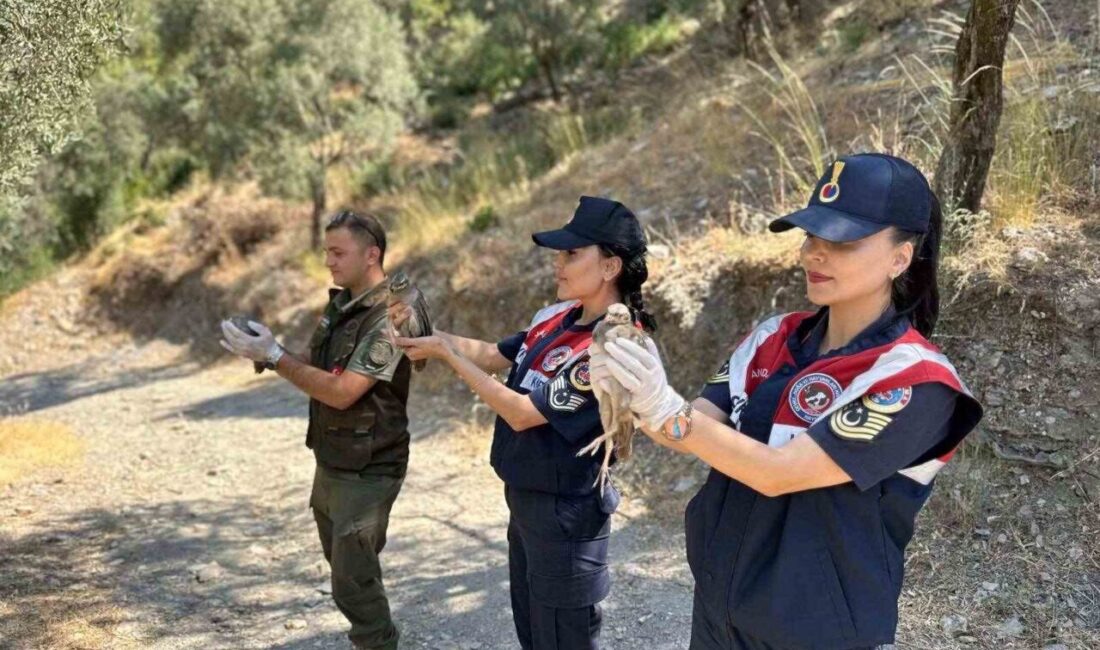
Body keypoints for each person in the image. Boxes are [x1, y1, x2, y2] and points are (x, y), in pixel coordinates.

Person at [592, 154, 983, 650]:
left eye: (841, 241)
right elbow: (688, 430)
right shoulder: (772, 338)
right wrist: (632, 390)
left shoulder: (917, 380)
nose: (813, 254)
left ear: (900, 257)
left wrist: (665, 407)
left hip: (817, 631)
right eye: (811, 235)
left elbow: (779, 472)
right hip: (720, 608)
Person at [393, 196, 656, 650]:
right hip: (527, 502)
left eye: (572, 254)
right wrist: (427, 337)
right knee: (534, 634)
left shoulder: (613, 344)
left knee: (563, 640)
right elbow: (495, 355)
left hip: (568, 514)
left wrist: (448, 356)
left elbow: (521, 413)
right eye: (560, 253)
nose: (559, 264)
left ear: (611, 266)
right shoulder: (554, 317)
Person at [220, 211, 410, 650]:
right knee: (346, 566)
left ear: (372, 254)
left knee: (352, 578)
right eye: (326, 251)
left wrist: (275, 356)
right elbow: (314, 359)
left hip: (370, 465)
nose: (328, 261)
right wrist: (271, 350)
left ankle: (378, 643)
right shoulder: (343, 303)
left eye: (338, 252)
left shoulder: (391, 313)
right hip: (334, 458)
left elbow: (344, 391)